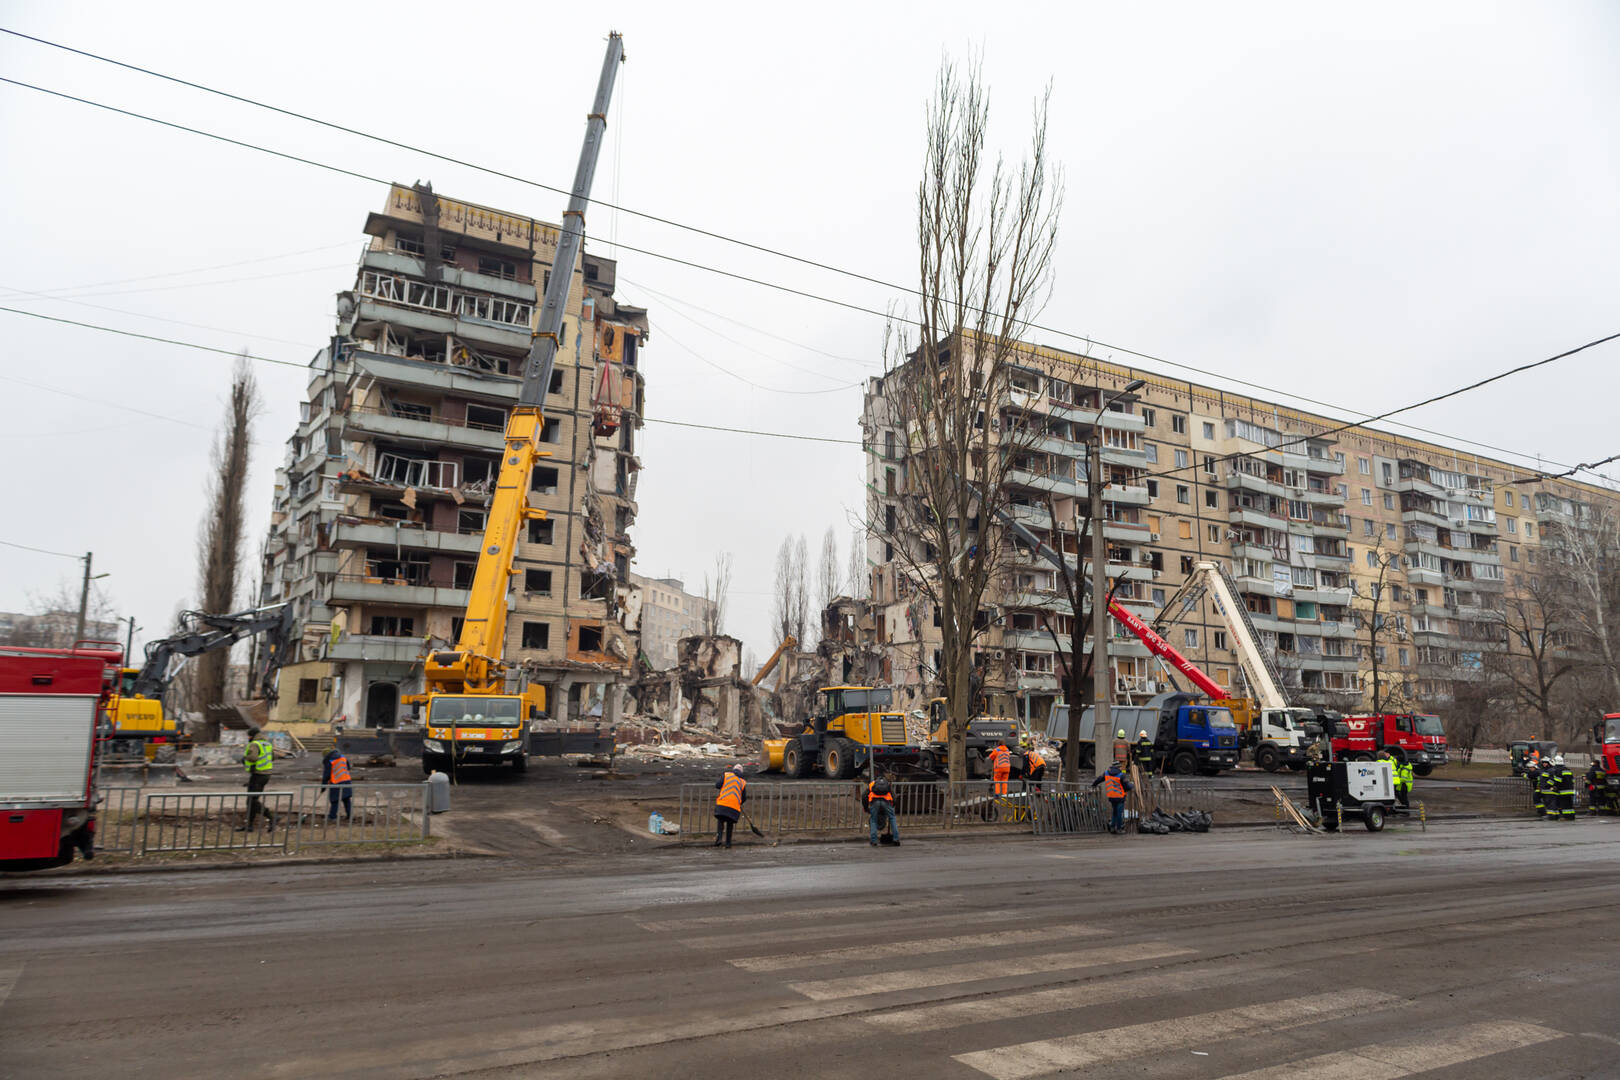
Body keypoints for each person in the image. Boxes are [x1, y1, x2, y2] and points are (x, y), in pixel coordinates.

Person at [238, 727, 276, 833]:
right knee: (251, 800)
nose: (248, 738)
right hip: (266, 774)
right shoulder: (267, 743)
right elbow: (273, 757)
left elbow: (253, 758)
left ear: (252, 735)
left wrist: (245, 757)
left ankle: (271, 816)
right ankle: (249, 826)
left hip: (258, 774)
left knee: (252, 800)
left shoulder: (254, 744)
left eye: (249, 736)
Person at [1091, 760, 1134, 834]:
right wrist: (1132, 785)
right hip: (1120, 796)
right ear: (1118, 767)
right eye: (1120, 766)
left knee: (1114, 812)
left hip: (1111, 796)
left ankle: (1112, 827)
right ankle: (1119, 829)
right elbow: (1126, 786)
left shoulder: (1107, 773)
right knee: (1119, 813)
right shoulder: (1121, 775)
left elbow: (1099, 779)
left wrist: (1094, 785)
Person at [713, 763, 747, 848]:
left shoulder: (726, 775)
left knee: (720, 821)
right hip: (734, 807)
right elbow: (744, 798)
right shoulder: (742, 782)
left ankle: (719, 838)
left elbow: (717, 785)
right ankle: (728, 843)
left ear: (733, 770)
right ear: (741, 772)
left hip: (722, 804)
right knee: (730, 824)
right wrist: (738, 803)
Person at [863, 773, 899, 846]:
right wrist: (893, 805)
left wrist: (866, 807)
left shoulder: (872, 784)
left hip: (874, 802)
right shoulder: (887, 784)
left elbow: (864, 795)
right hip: (886, 802)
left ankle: (874, 841)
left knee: (873, 820)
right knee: (892, 818)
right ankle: (896, 839)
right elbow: (894, 796)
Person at [321, 745, 354, 824]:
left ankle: (332, 817)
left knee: (335, 800)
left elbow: (326, 775)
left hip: (336, 782)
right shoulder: (342, 757)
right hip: (346, 781)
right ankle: (350, 816)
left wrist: (323, 786)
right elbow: (348, 767)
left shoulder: (329, 760)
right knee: (346, 799)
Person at [1553, 755, 1577, 821]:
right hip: (1570, 790)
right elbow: (1573, 780)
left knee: (1564, 805)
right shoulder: (1567, 770)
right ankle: (1572, 816)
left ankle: (1566, 817)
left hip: (1563, 791)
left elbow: (1558, 781)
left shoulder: (1558, 770)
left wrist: (1554, 786)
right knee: (1569, 804)